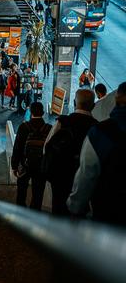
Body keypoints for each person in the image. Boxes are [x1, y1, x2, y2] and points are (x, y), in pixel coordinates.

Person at [67, 81, 126, 225]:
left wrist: (75, 207)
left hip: (109, 211)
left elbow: (87, 174)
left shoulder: (101, 133)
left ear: (117, 100)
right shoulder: (96, 127)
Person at [43, 88, 97, 216]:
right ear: (94, 106)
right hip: (84, 181)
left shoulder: (62, 122)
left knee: (58, 210)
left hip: (60, 176)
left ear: (74, 102)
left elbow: (47, 146)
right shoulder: (97, 127)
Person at [11, 101, 51, 210]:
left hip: (25, 165)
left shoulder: (24, 127)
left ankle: (20, 212)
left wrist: (14, 166)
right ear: (43, 113)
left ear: (30, 112)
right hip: (41, 167)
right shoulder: (48, 128)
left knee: (21, 191)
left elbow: (17, 148)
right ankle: (35, 213)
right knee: (38, 194)